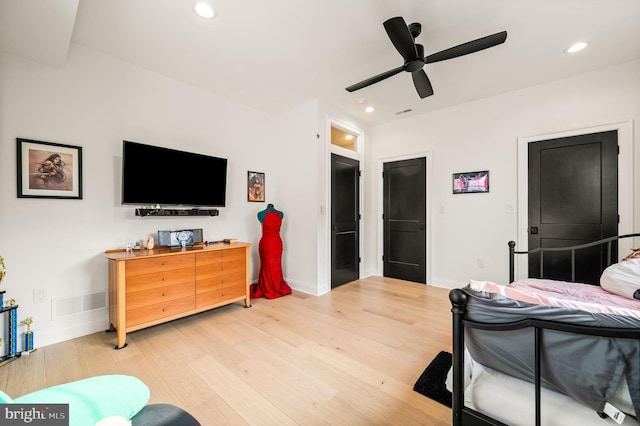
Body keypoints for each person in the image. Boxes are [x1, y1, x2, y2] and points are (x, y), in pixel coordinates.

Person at [250, 204, 292, 299]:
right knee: (268, 265)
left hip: (268, 242)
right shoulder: (279, 214)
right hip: (276, 242)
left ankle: (268, 287)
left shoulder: (261, 214)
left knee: (274, 265)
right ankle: (275, 286)